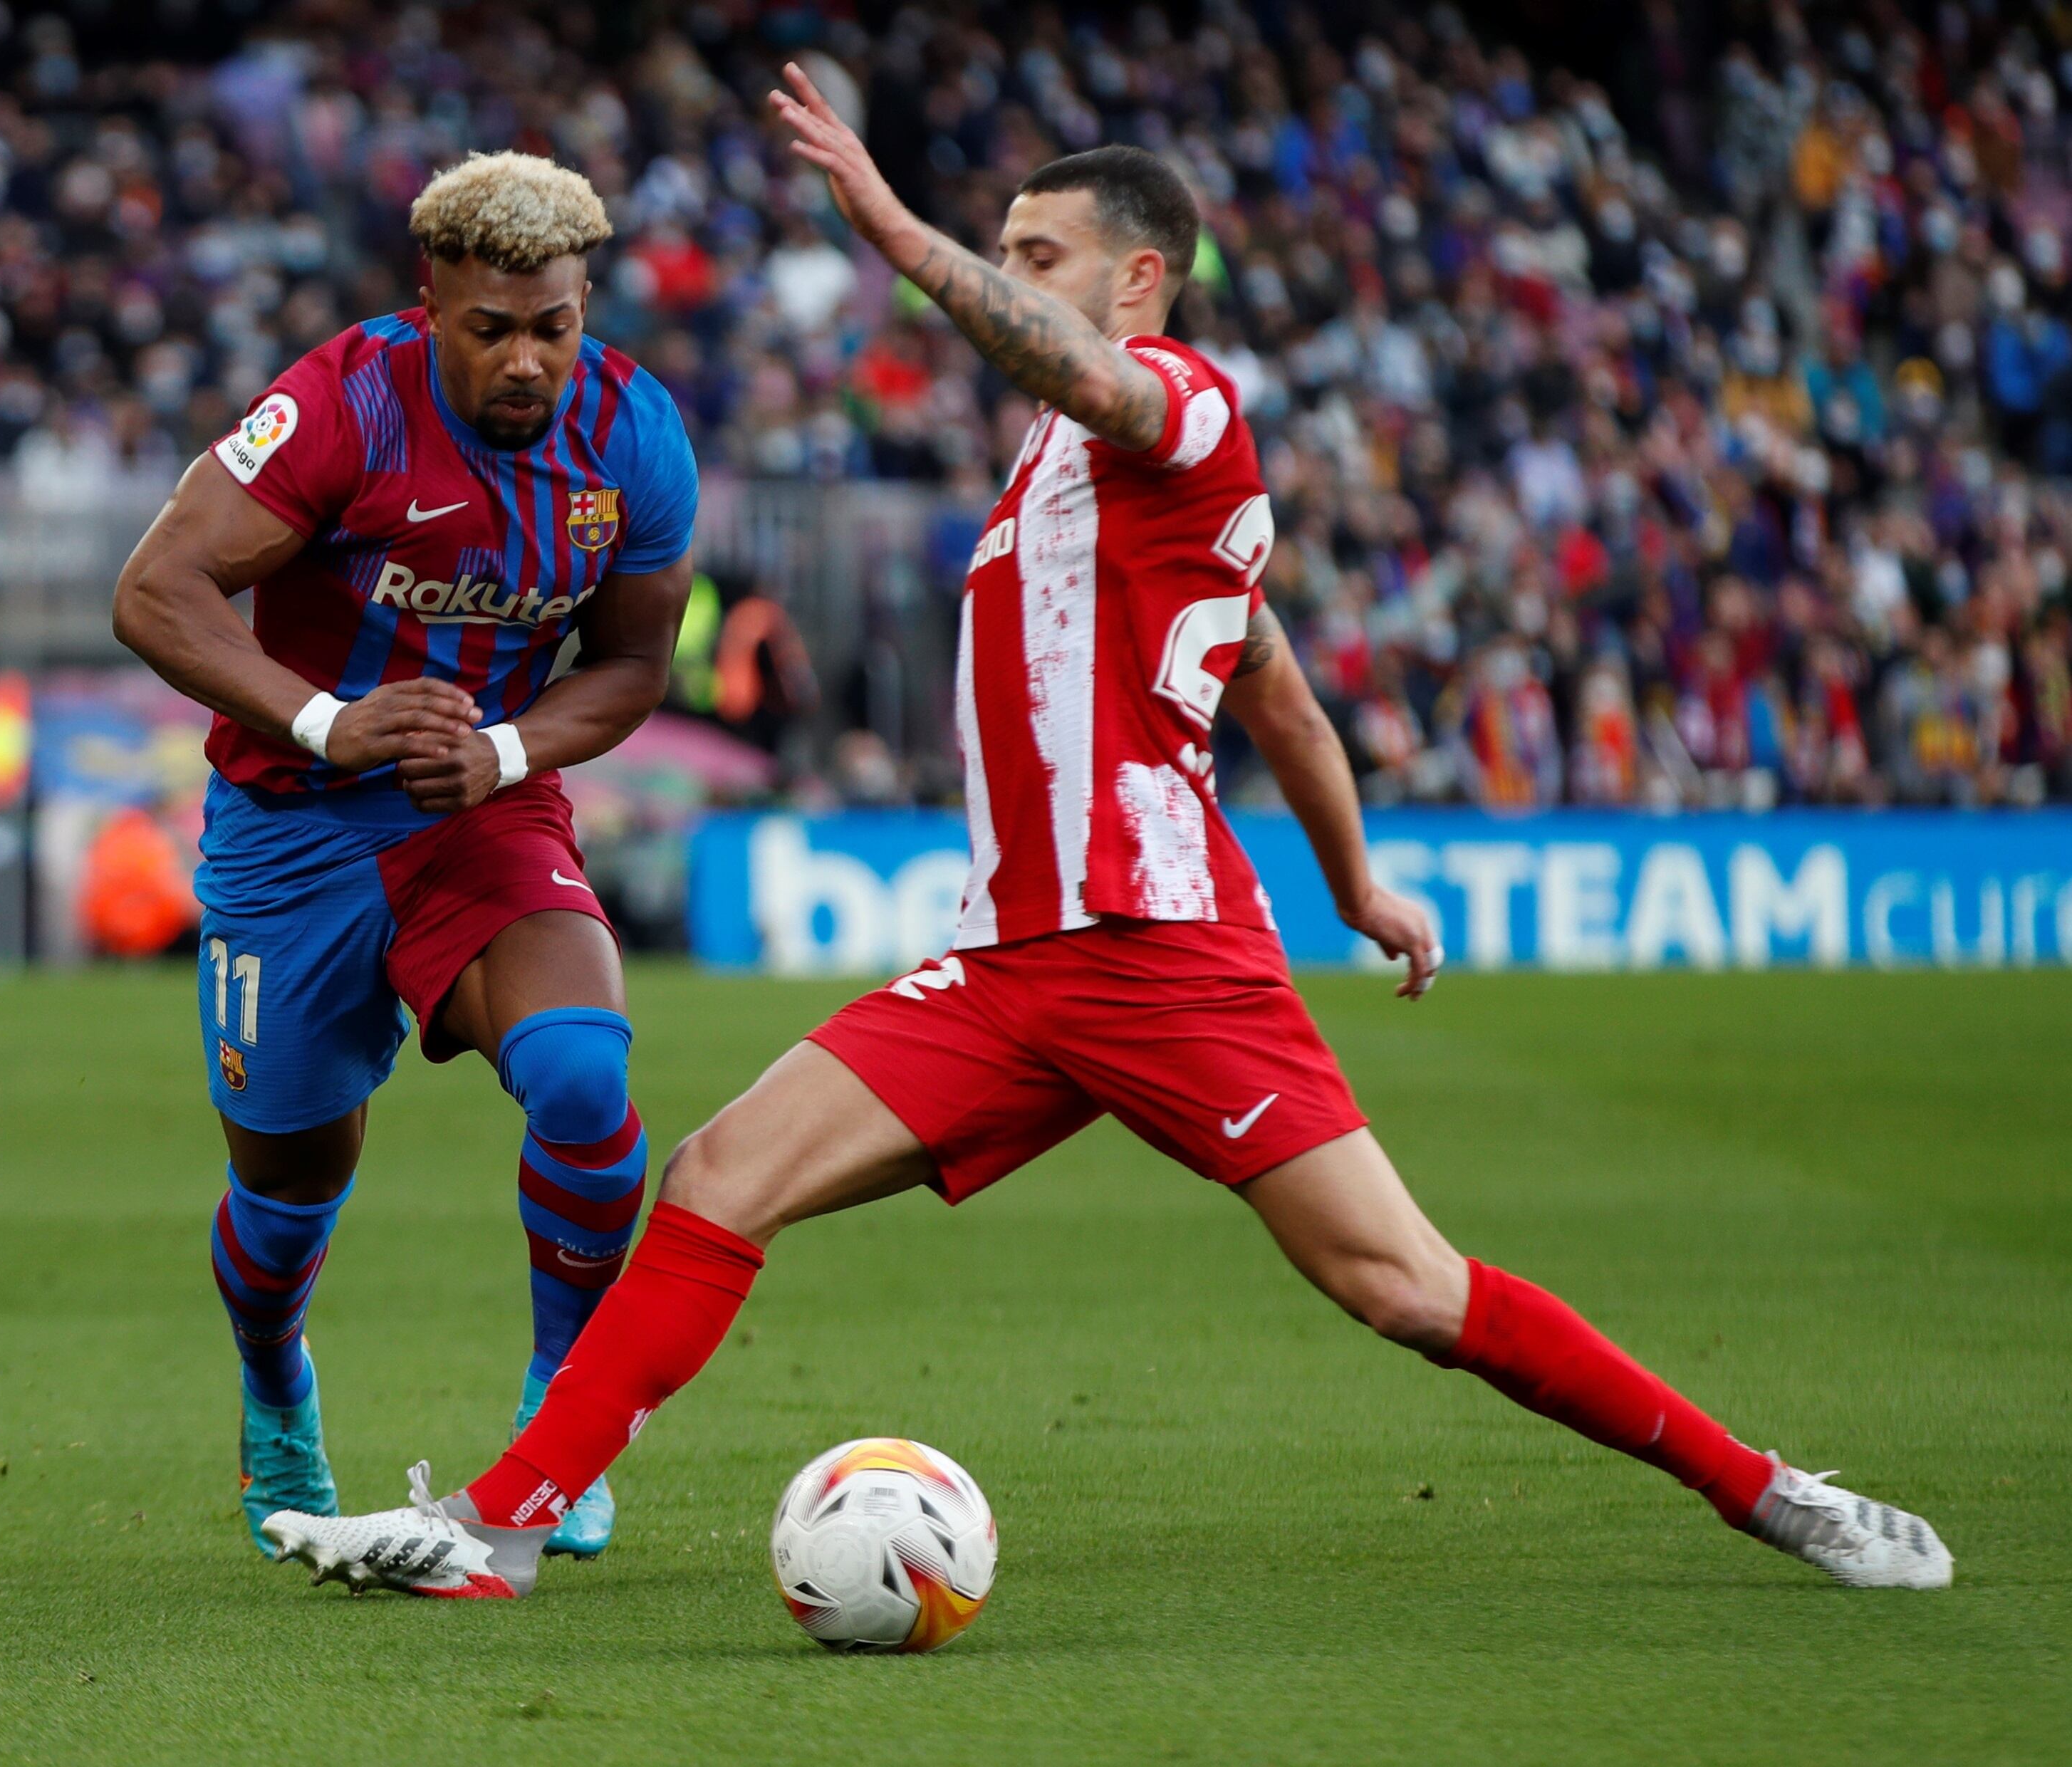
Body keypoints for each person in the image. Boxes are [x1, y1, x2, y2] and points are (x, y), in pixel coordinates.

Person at [269, 75, 1952, 1600]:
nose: (1015, 270)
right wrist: (1357, 876)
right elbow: (1273, 686)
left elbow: (1091, 398)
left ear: (1137, 279)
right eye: (1004, 245)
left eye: (1041, 248)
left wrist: (899, 229)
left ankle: (1772, 1492)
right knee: (718, 1174)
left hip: (1154, 954)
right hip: (1012, 964)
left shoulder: (1180, 404)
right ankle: (496, 1530)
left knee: (1404, 1288)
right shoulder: (1064, 468)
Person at [110, 151, 698, 1565]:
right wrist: (329, 719)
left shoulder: (632, 436)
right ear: (430, 299)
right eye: (492, 326)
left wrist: (502, 753)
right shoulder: (339, 405)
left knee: (580, 1071)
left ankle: (564, 1420)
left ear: (584, 306)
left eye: (551, 325)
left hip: (475, 811)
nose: (525, 359)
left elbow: (627, 670)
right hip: (289, 831)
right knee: (288, 1184)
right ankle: (276, 1387)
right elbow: (155, 589)